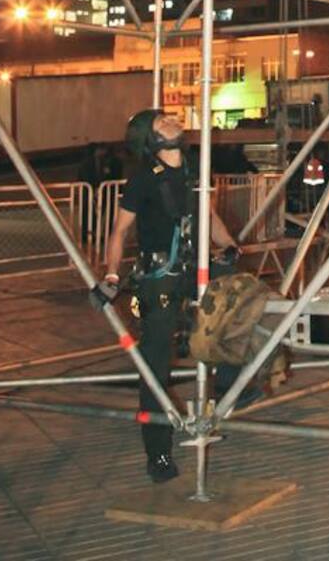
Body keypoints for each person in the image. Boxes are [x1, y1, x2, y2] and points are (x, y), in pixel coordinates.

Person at [97, 110, 241, 483]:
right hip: (159, 277)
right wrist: (111, 276)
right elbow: (120, 230)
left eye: (170, 119)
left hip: (195, 267)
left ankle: (233, 383)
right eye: (163, 123)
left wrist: (227, 245)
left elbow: (208, 216)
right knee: (155, 362)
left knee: (244, 299)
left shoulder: (195, 171)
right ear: (153, 141)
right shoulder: (143, 180)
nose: (173, 122)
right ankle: (157, 452)